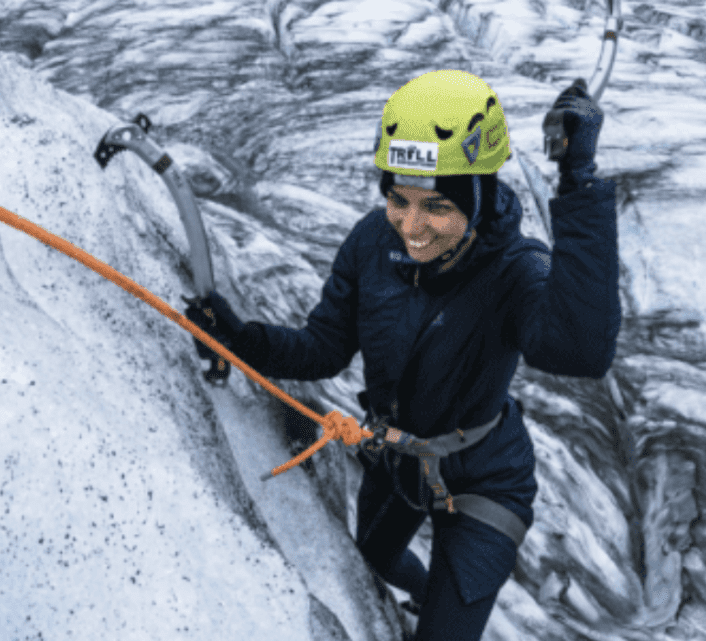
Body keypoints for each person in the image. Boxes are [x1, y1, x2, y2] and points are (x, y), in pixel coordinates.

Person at [185, 69, 619, 641]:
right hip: (399, 460)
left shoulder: (518, 270)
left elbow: (581, 350)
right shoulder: (373, 242)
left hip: (488, 480)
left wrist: (579, 180)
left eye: (436, 206)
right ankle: (419, 596)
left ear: (480, 195)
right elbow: (324, 348)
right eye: (397, 198)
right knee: (372, 559)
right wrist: (241, 340)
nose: (411, 228)